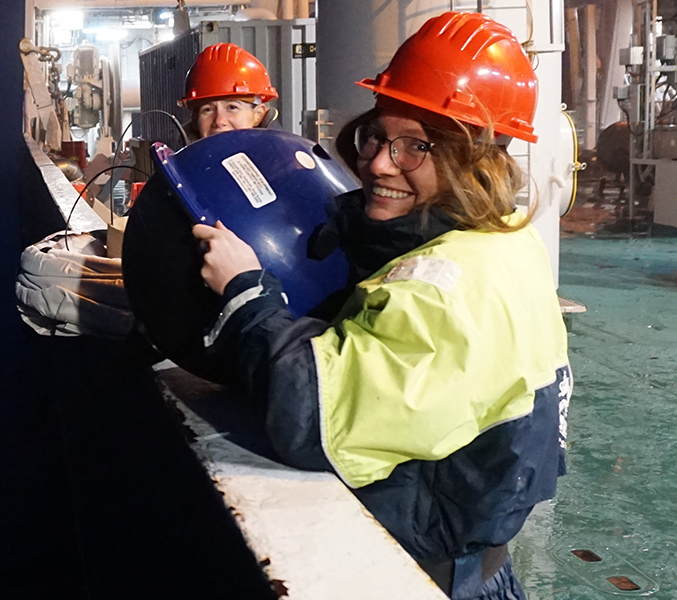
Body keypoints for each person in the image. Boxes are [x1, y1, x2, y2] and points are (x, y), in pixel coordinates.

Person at [190, 12, 571, 600]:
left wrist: (246, 296)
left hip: (422, 576)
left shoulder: (446, 287)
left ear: (477, 157)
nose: (378, 163)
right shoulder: (503, 238)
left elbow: (314, 417)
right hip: (467, 557)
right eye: (377, 136)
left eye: (416, 146)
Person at [179, 43, 278, 141]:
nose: (219, 121)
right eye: (207, 110)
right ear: (196, 120)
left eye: (232, 107)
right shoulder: (177, 155)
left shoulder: (284, 156)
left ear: (258, 115)